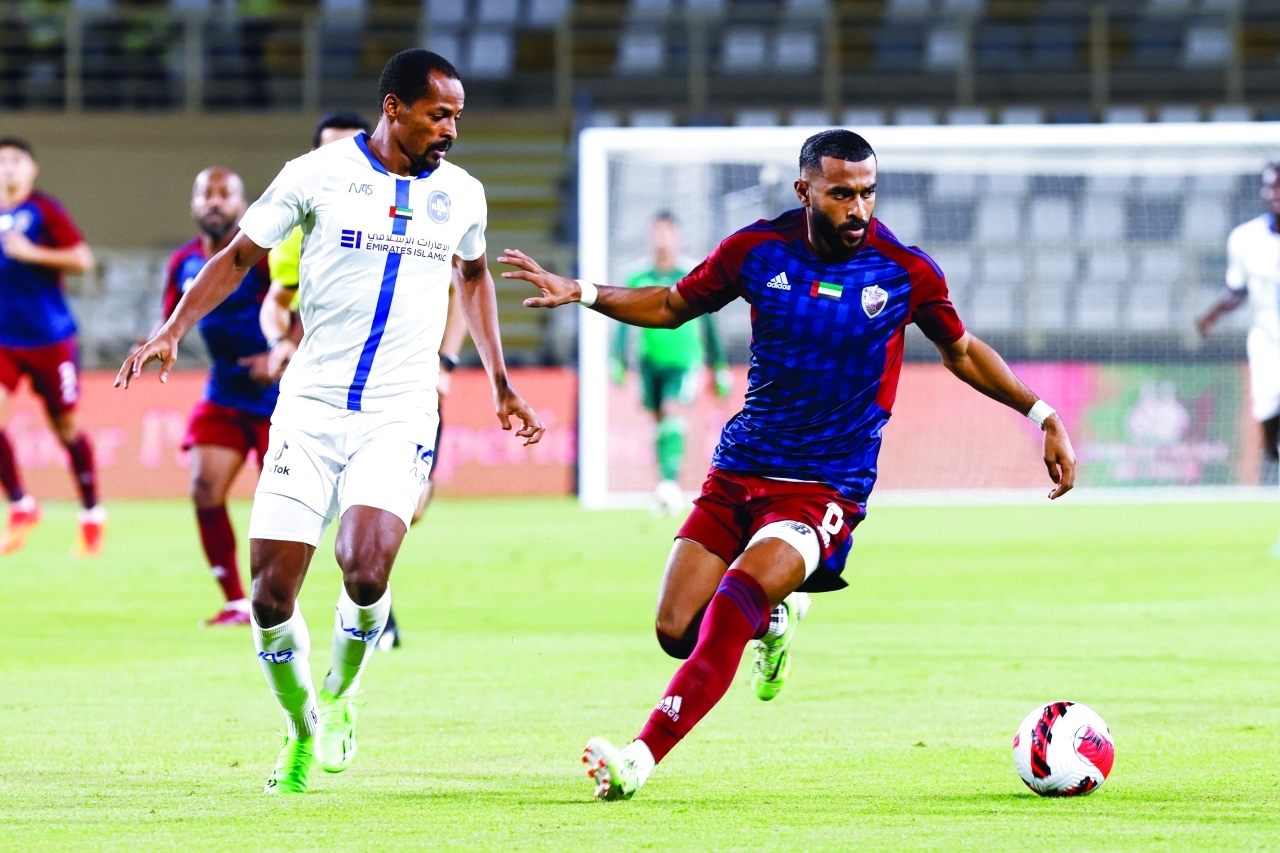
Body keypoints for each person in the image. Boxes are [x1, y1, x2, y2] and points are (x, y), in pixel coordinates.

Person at [502, 129, 1077, 801]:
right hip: (741, 467)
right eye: (841, 194)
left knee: (734, 600)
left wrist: (1042, 413)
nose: (857, 209)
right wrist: (581, 290)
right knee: (675, 629)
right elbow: (673, 304)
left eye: (867, 193)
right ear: (805, 190)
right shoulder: (757, 250)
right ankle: (777, 619)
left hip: (824, 486)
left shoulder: (903, 270)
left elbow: (963, 350)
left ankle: (639, 757)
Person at [118, 49, 544, 794]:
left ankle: (343, 695)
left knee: (366, 565)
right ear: (394, 108)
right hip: (309, 409)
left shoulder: (462, 195)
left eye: (457, 116)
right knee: (269, 597)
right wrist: (174, 327)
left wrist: (499, 383)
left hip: (398, 410)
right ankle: (300, 727)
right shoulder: (316, 174)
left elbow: (473, 277)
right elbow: (238, 256)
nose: (451, 129)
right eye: (438, 114)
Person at [259, 109, 471, 650]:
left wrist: (446, 362)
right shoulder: (304, 210)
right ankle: (369, 617)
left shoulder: (428, 203)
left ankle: (368, 604)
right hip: (321, 396)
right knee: (313, 538)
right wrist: (279, 341)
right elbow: (278, 298)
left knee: (402, 514)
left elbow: (463, 287)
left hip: (403, 392)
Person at [164, 167, 282, 627]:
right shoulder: (183, 262)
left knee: (286, 503)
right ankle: (236, 601)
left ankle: (282, 597)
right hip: (226, 390)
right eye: (206, 194)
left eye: (224, 193)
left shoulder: (262, 253)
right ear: (194, 203)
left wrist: (280, 353)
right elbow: (172, 318)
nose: (214, 201)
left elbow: (300, 305)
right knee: (204, 489)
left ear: (242, 204)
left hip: (281, 394)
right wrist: (153, 342)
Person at [0, 137, 105, 557]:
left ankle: (92, 512)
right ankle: (21, 505)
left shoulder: (44, 210)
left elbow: (82, 259)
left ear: (32, 170)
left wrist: (32, 253)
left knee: (66, 428)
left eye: (16, 160)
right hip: (4, 340)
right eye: (2, 160)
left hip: (50, 338)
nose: (8, 167)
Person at [613, 212, 730, 514]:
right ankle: (665, 484)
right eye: (658, 233)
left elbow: (709, 322)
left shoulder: (691, 274)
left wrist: (719, 366)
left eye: (667, 233)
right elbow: (623, 321)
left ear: (677, 237)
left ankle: (669, 485)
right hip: (650, 361)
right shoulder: (638, 277)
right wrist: (617, 359)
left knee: (672, 411)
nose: (662, 239)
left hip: (684, 360)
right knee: (659, 424)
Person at [1197, 162, 1280, 489]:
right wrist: (1212, 314)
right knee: (1267, 411)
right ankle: (1272, 459)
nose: (1275, 193)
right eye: (1271, 186)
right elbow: (1237, 289)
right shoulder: (1246, 238)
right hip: (1267, 340)